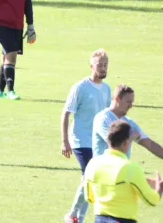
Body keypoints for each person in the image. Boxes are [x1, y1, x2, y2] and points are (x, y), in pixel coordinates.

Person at [83, 120, 163, 223]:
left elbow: (89, 198)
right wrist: (160, 189)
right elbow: (151, 200)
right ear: (126, 143)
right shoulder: (130, 168)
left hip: (99, 219)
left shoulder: (93, 163)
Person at [61, 49, 112, 223]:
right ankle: (75, 216)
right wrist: (64, 141)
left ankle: (75, 216)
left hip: (98, 143)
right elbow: (66, 114)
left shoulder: (106, 89)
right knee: (88, 177)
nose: (103, 68)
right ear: (91, 66)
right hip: (80, 140)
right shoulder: (80, 87)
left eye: (105, 65)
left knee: (90, 179)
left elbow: (106, 117)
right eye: (99, 65)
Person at [92, 84, 163, 174]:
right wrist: (131, 136)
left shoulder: (128, 122)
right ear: (117, 99)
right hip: (102, 172)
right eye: (128, 102)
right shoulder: (103, 119)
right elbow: (116, 147)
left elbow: (150, 144)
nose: (131, 106)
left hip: (120, 172)